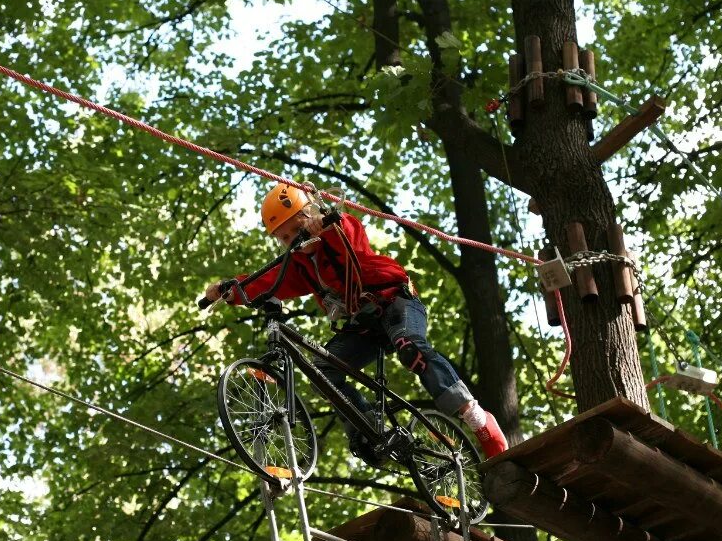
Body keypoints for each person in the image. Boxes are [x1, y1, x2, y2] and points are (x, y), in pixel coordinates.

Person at [204, 182, 508, 461]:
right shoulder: (300, 267)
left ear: (308, 216)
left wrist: (323, 226)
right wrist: (230, 290)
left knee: (410, 347)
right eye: (282, 239)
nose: (289, 243)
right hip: (363, 325)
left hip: (395, 303)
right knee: (321, 370)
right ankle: (367, 427)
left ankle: (476, 418)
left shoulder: (337, 233)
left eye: (292, 231)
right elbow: (267, 282)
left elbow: (350, 233)